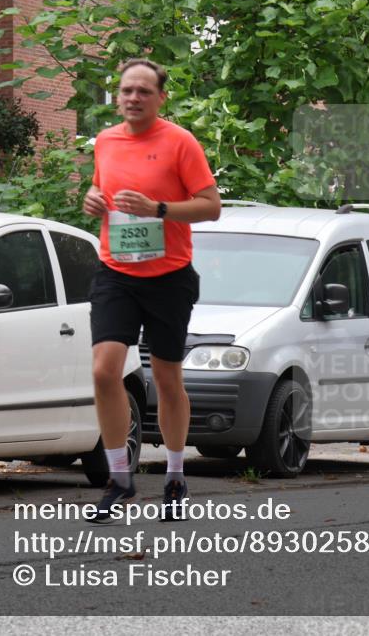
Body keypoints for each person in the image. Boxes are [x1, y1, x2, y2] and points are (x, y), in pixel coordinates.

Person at [82, 59, 221, 522]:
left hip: (168, 276)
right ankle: (120, 478)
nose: (133, 98)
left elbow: (210, 207)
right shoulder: (105, 140)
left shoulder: (180, 141)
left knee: (166, 379)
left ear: (161, 97)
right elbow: (99, 192)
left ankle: (176, 474)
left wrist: (158, 208)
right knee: (105, 372)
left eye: (144, 91)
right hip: (115, 272)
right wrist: (91, 199)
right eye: (126, 90)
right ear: (117, 96)